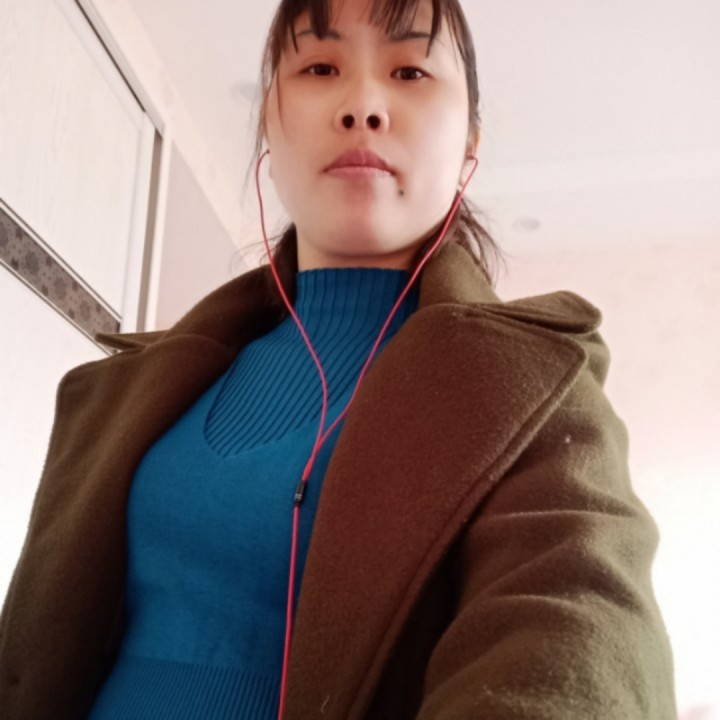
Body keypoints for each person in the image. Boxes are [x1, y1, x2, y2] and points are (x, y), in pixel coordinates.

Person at [0, 0, 678, 718]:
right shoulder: (136, 384)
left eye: (410, 72)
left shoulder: (542, 398)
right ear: (269, 123)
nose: (362, 106)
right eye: (320, 68)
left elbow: (577, 627)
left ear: (469, 144)